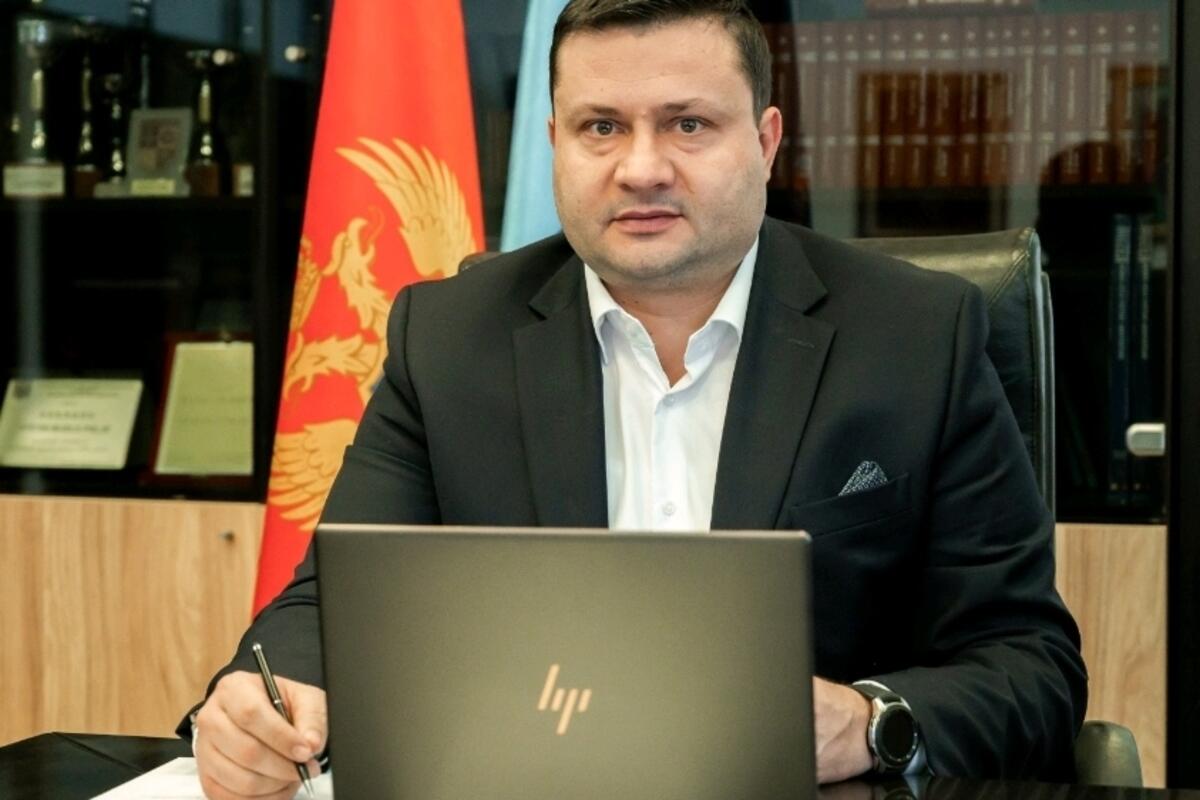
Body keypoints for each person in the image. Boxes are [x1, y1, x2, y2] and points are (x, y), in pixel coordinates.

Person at [183, 1, 1087, 797]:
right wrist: (260, 702)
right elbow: (333, 604)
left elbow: (1028, 664)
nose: (640, 167)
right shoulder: (449, 337)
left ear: (767, 141)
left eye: (688, 124)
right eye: (601, 127)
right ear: (554, 144)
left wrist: (868, 721)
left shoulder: (917, 337)